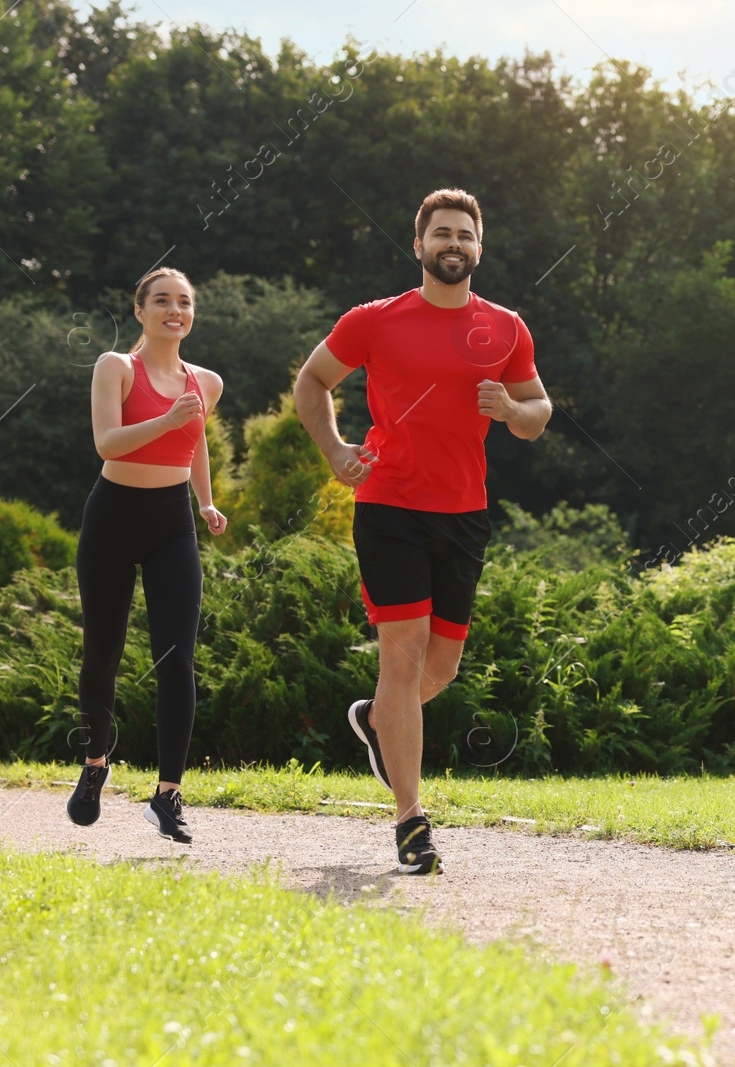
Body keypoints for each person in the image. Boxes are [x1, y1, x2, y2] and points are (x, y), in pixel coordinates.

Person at [294, 188, 551, 874]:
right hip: (390, 505)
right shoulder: (374, 321)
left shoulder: (505, 328)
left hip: (464, 514)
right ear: (419, 246)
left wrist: (511, 411)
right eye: (441, 233)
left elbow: (539, 408)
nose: (453, 243)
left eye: (464, 234)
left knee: (440, 668)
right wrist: (336, 450)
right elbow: (312, 381)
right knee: (402, 657)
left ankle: (378, 720)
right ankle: (411, 819)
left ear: (478, 247)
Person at [66, 267, 227, 843]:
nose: (174, 310)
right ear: (140, 311)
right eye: (161, 301)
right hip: (111, 519)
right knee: (103, 651)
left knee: (176, 659)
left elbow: (197, 438)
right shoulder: (115, 367)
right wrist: (167, 417)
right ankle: (94, 764)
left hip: (170, 526)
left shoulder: (205, 381)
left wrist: (205, 502)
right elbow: (107, 442)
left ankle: (168, 795)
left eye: (184, 302)